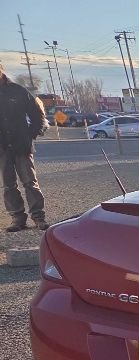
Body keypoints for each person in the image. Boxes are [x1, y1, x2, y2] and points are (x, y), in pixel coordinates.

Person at [0, 61, 48, 232]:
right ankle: (17, 219)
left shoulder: (19, 91)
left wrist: (32, 134)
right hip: (2, 149)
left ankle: (38, 217)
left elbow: (38, 114)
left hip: (22, 146)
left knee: (30, 182)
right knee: (8, 185)